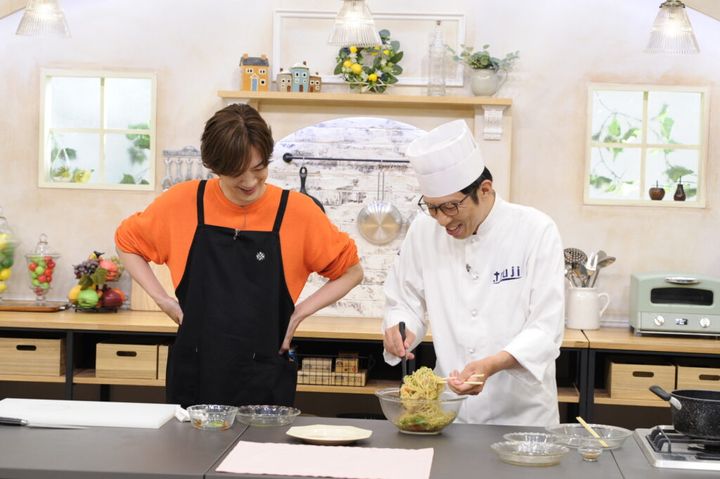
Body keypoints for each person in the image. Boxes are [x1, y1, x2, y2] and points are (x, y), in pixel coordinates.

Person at [116, 104, 363, 408]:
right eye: (236, 172)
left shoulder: (297, 212)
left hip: (264, 376)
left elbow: (352, 271)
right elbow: (126, 242)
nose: (249, 182)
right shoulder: (183, 202)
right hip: (195, 374)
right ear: (215, 166)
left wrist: (298, 315)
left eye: (258, 169)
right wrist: (163, 300)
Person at [382, 119, 564, 426]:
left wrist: (491, 365)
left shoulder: (536, 230)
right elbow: (404, 299)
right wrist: (401, 329)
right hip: (450, 413)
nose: (442, 220)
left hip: (523, 417)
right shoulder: (423, 230)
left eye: (450, 207)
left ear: (485, 190)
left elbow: (546, 328)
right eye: (432, 207)